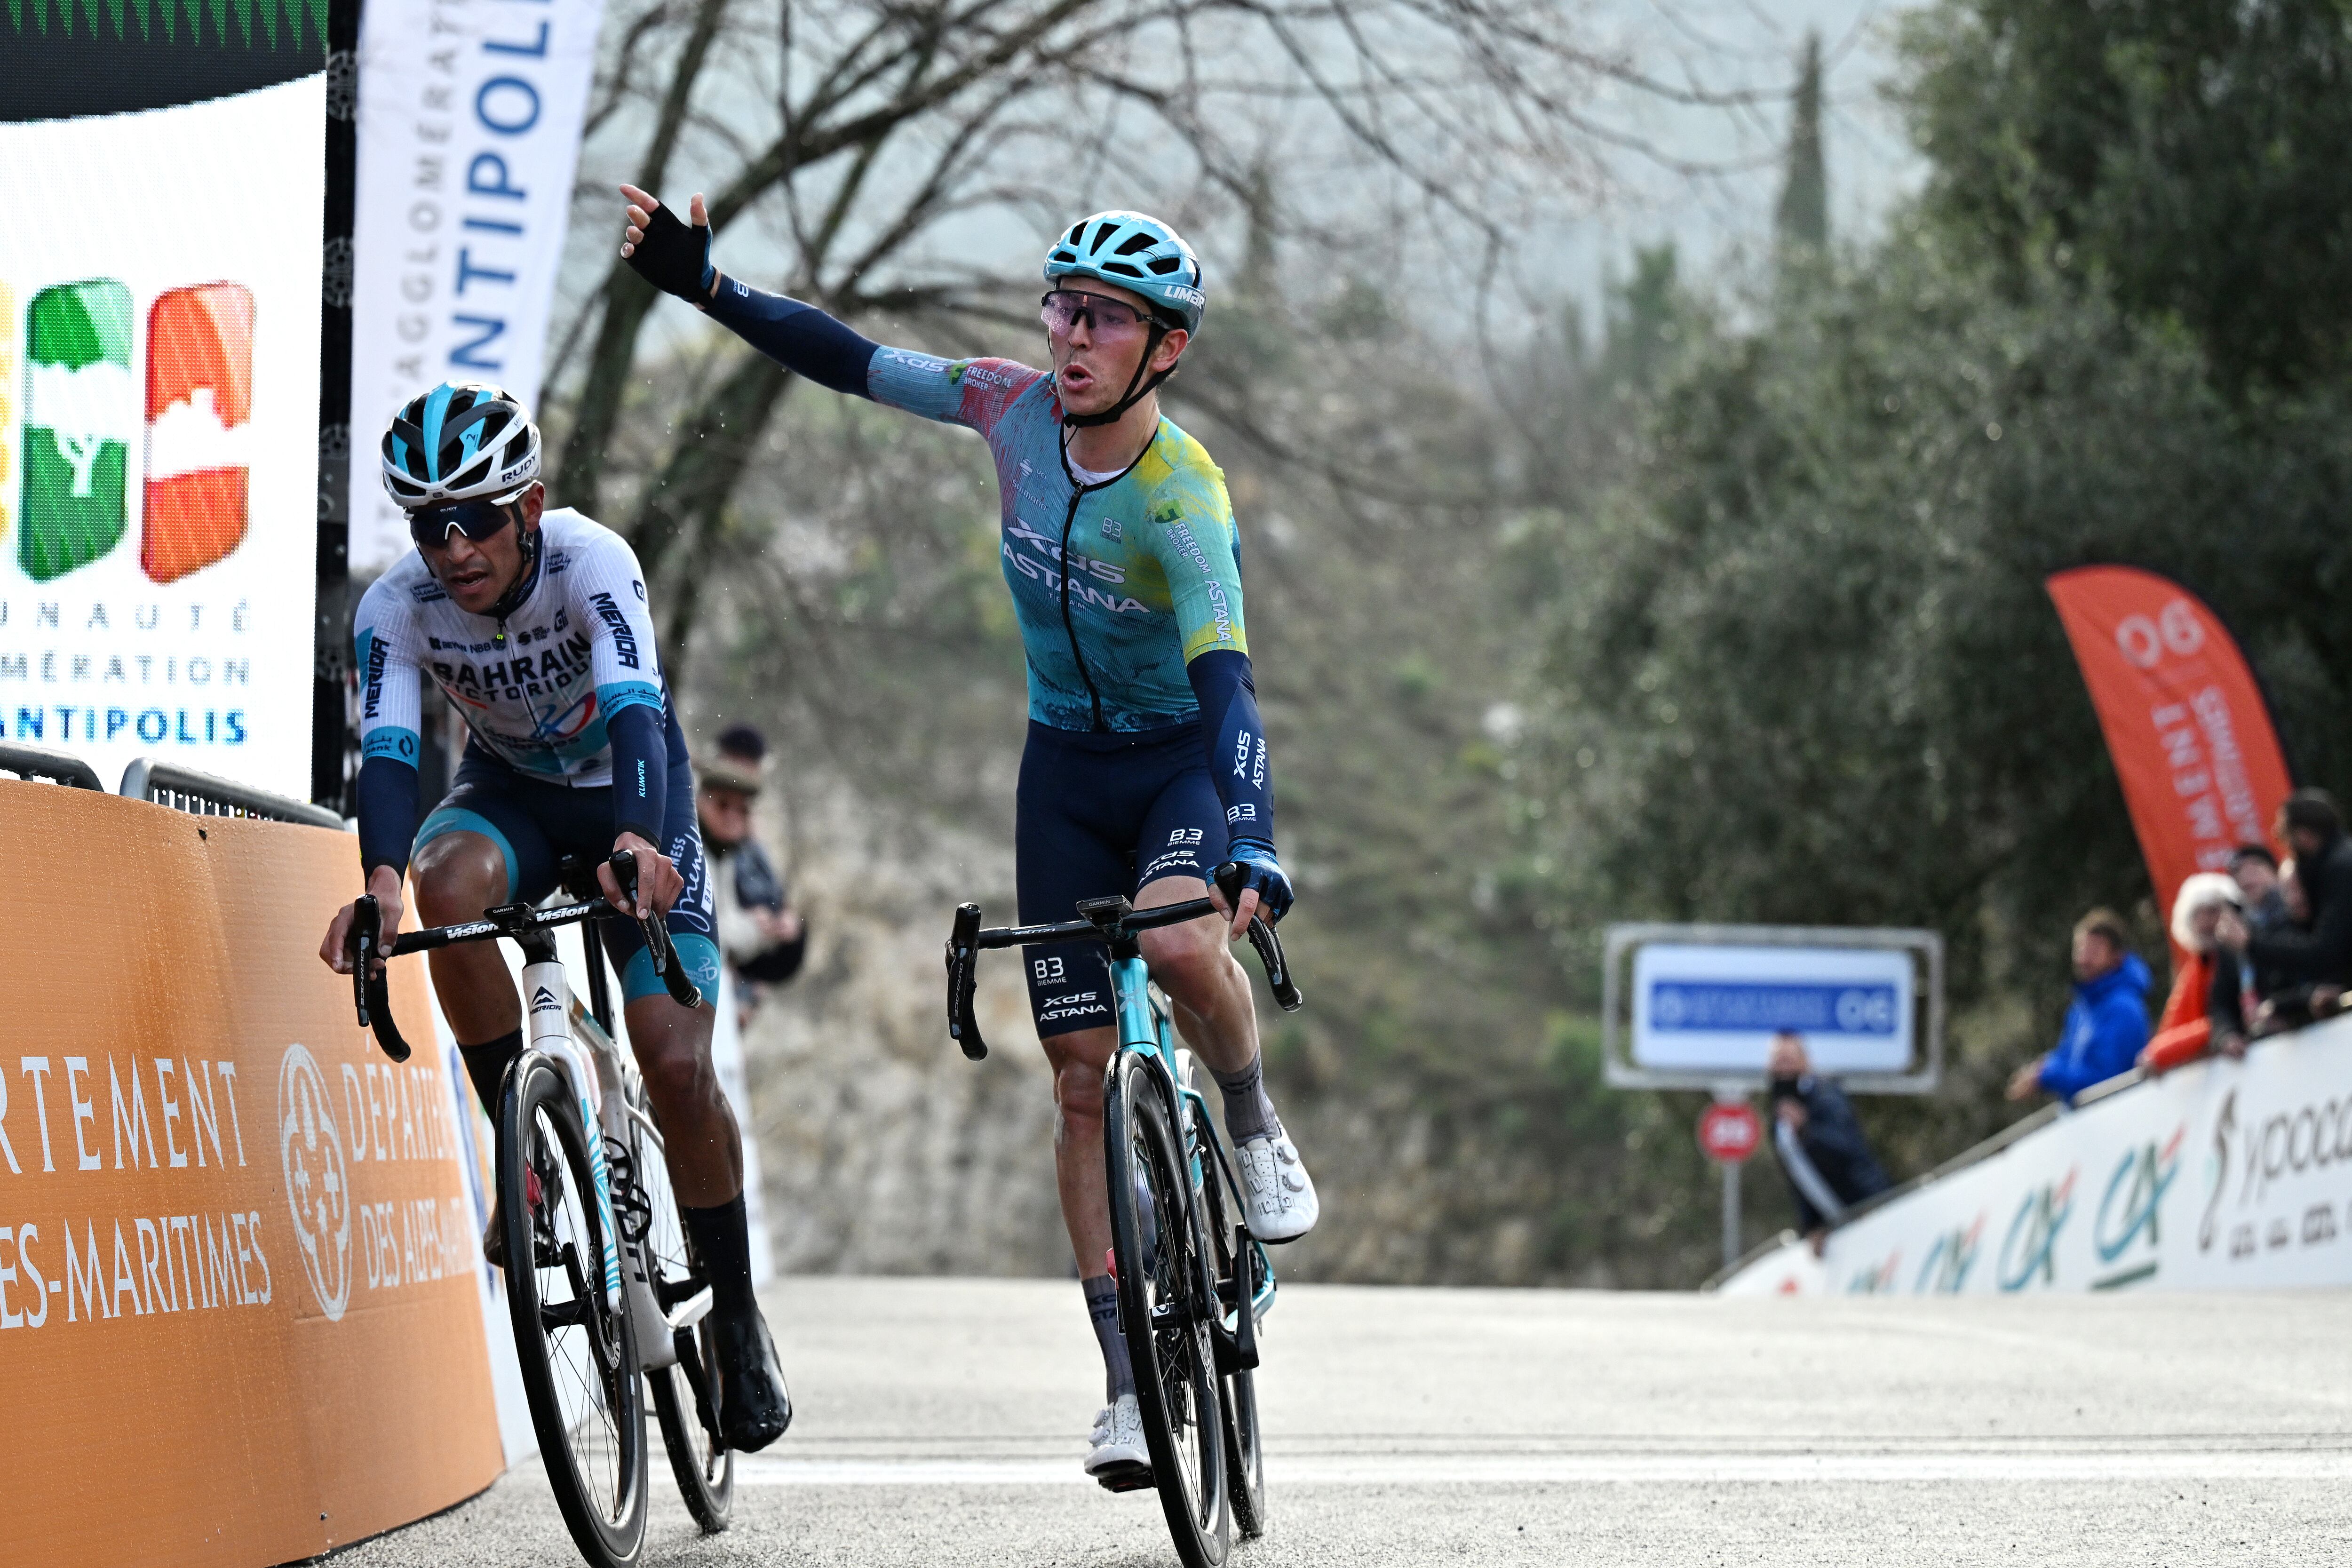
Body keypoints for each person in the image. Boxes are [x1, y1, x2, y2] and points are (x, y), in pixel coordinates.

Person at [617, 190, 1318, 1485]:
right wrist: (708, 287)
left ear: (1166, 348)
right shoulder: (1007, 408)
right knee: (1076, 1081)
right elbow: (851, 359)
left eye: (1106, 318)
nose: (1073, 335)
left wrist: (1254, 837)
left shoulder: (1183, 499)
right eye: (1064, 306)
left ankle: (1251, 1113)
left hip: (1173, 766)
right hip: (1062, 774)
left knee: (1176, 942)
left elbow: (1229, 688)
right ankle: (1126, 1386)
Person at [316, 382, 793, 1453]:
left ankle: (737, 1311)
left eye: (475, 519)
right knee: (441, 884)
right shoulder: (396, 607)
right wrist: (381, 884)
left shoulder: (592, 560)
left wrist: (639, 841)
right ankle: (525, 1156)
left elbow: (636, 712)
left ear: (528, 507)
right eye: (429, 525)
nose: (453, 548)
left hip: (633, 792)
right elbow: (388, 753)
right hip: (514, 798)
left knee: (676, 1063)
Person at [697, 724, 806, 1026]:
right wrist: (756, 929)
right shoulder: (691, 846)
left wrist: (786, 926)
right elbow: (702, 932)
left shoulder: (732, 851)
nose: (734, 816)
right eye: (723, 805)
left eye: (743, 809)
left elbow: (773, 904)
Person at [2217, 789, 2352, 1016]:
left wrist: (2250, 945)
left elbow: (2326, 953)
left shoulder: (2339, 870)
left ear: (2304, 837)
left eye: (2284, 838)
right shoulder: (2338, 862)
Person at [2005, 908, 2150, 1106]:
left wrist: (2048, 1076)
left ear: (2117, 956)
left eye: (2095, 950)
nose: (2084, 958)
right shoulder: (2081, 1009)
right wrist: (2042, 1069)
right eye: (2080, 949)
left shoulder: (2124, 1008)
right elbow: (2067, 1058)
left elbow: (2106, 1083)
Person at [1764, 1032, 1890, 1252]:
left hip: (1872, 1212)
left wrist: (1806, 1130)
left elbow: (1847, 1150)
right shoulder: (1778, 1121)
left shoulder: (1825, 1095)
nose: (1784, 1068)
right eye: (1778, 1061)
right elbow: (1798, 1179)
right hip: (1839, 1228)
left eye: (1789, 1060)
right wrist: (1813, 1226)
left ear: (1805, 1062)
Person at [2139, 873, 2239, 1074]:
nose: (2206, 922)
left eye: (2213, 911)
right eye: (2198, 914)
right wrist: (2158, 1052)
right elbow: (2172, 1027)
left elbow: (2227, 1021)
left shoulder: (2239, 958)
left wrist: (2162, 1053)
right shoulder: (2195, 969)